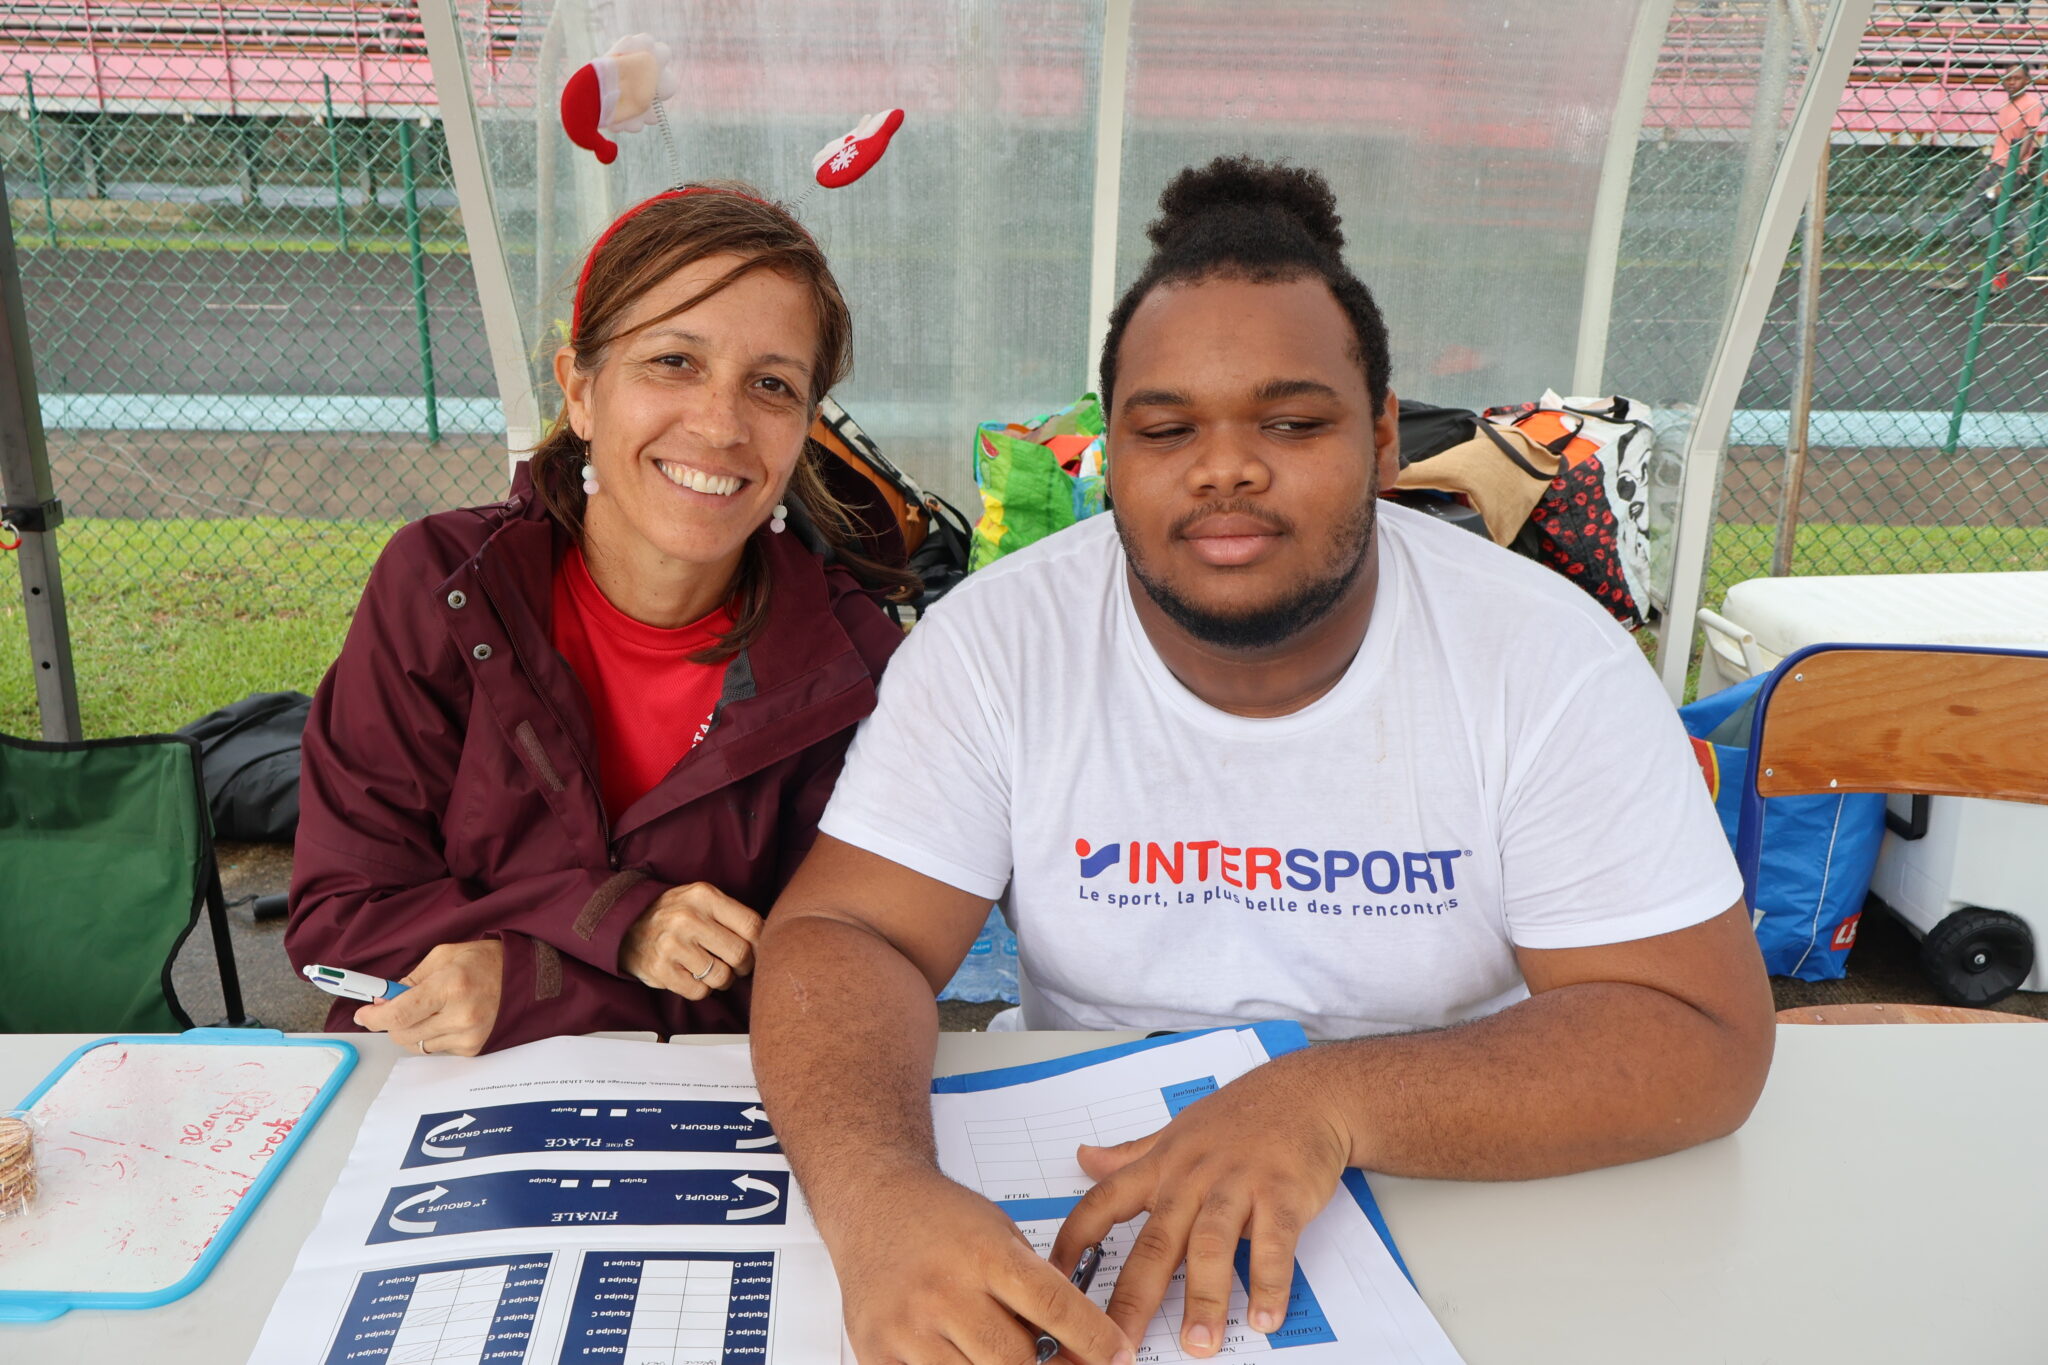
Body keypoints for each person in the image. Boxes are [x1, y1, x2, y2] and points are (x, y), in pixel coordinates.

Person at [751, 157, 1774, 1365]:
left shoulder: (1544, 658)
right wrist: (876, 1199)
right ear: (1107, 452)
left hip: (1464, 1180)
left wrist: (1325, 1101)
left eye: (1291, 423)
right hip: (1092, 1183)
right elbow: (846, 935)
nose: (1224, 467)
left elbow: (1699, 1034)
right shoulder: (998, 642)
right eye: (1164, 428)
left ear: (1382, 437)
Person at [287, 183, 909, 1057]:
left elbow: (833, 983)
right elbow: (341, 920)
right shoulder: (440, 585)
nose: (721, 424)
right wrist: (620, 921)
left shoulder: (853, 663)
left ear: (805, 427)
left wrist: (532, 981)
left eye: (771, 384)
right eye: (674, 361)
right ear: (580, 390)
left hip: (706, 1108)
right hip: (429, 1093)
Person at [1936, 63, 2042, 289]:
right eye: (2008, 78)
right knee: (1969, 219)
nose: (2011, 82)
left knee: (2000, 224)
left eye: (2017, 78)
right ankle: (1955, 276)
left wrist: (2008, 175)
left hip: (2009, 171)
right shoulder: (2006, 105)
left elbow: (2026, 141)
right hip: (1993, 168)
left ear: (2027, 81)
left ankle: (1996, 278)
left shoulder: (2031, 104)